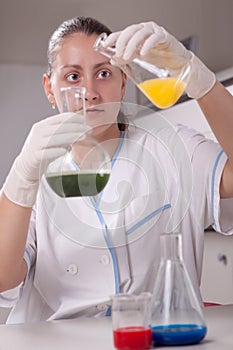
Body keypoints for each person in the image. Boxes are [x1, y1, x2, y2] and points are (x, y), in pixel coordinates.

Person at [0, 16, 232, 324]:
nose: (90, 92)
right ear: (50, 89)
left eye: (104, 73)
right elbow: (4, 279)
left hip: (154, 338)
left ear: (124, 81)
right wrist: (20, 178)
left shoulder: (174, 148)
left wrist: (199, 79)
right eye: (72, 77)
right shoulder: (32, 178)